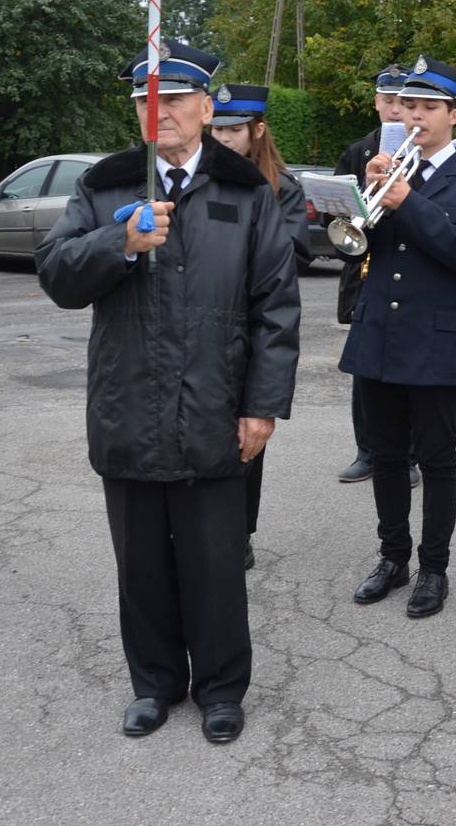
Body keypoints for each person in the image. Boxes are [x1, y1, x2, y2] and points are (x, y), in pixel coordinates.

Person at [35, 39, 300, 744]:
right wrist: (116, 244)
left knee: (215, 563)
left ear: (207, 108)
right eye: (147, 102)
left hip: (215, 409)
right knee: (142, 565)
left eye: (176, 99)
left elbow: (275, 307)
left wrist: (262, 406)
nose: (163, 113)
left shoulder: (247, 193)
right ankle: (153, 684)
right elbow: (57, 275)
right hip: (128, 407)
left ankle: (220, 689)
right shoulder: (107, 187)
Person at [340, 55, 456, 619]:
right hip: (379, 331)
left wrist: (408, 202)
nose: (415, 116)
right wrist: (363, 201)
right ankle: (392, 557)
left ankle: (434, 568)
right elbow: (354, 247)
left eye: (428, 107)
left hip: (436, 335)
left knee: (436, 459)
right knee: (385, 455)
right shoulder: (382, 167)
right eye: (408, 105)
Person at [208, 82, 311, 572]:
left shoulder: (281, 188)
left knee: (248, 439)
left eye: (233, 130)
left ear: (257, 130)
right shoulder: (204, 179)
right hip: (208, 323)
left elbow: (289, 257)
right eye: (217, 129)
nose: (223, 139)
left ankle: (241, 532)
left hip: (253, 326)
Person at [334, 66, 421, 487]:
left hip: (406, 275)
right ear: (376, 102)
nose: (394, 109)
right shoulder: (357, 150)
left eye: (402, 103)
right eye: (387, 100)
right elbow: (337, 207)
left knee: (406, 371)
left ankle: (407, 456)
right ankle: (365, 451)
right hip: (363, 276)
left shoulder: (422, 152)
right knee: (363, 370)